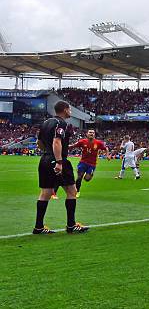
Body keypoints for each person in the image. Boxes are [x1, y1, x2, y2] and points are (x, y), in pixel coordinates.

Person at [33, 100, 89, 234]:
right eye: (69, 109)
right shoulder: (61, 123)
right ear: (64, 109)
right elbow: (57, 141)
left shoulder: (46, 123)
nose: (70, 111)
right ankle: (71, 225)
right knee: (72, 191)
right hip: (58, 160)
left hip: (45, 159)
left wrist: (48, 153)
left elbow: (39, 142)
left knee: (45, 193)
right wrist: (58, 161)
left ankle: (38, 227)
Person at [68, 128, 109, 197]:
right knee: (79, 177)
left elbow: (106, 148)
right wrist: (65, 146)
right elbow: (73, 146)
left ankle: (87, 174)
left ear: (94, 134)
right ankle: (77, 191)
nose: (91, 133)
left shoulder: (98, 143)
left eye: (93, 133)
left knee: (87, 179)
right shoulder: (82, 141)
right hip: (83, 162)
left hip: (92, 164)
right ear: (87, 134)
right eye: (90, 132)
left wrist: (107, 155)